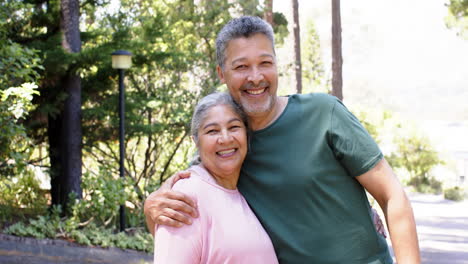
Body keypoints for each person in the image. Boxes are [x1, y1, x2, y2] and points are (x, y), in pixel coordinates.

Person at [145, 16, 420, 264]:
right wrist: (151, 208)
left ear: (277, 65)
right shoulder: (229, 148)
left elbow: (392, 194)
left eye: (265, 63)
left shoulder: (324, 113)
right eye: (241, 66)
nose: (255, 77)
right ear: (221, 74)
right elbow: (187, 212)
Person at [153, 92, 278, 263]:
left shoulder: (242, 191)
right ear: (196, 141)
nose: (225, 139)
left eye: (234, 127)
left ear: (246, 134)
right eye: (212, 131)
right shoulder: (187, 193)